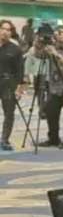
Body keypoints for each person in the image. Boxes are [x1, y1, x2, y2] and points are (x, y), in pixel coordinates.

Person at [28, 25, 63, 149]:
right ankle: (53, 139)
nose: (60, 34)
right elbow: (37, 56)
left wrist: (56, 55)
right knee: (51, 113)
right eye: (58, 32)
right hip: (54, 88)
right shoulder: (50, 48)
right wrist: (38, 43)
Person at [0, 19, 24, 151]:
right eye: (3, 29)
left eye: (8, 30)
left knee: (9, 113)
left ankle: (4, 139)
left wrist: (19, 89)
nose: (5, 32)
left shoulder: (16, 49)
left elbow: (20, 71)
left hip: (8, 84)